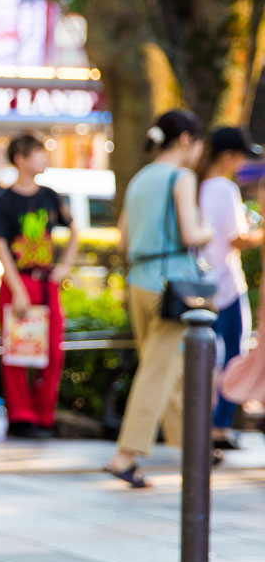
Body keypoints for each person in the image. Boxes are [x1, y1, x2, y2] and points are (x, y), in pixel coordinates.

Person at [106, 109, 212, 487]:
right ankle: (125, 456)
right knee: (159, 370)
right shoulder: (181, 177)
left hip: (139, 281)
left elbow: (122, 239)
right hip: (174, 286)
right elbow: (190, 233)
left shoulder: (140, 178)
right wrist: (208, 230)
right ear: (186, 141)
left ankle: (194, 443)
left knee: (170, 367)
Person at [0, 135, 78, 438]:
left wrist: (64, 267)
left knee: (53, 350)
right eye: (38, 154)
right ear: (21, 159)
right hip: (18, 281)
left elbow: (74, 229)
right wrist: (18, 289)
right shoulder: (3, 201)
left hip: (46, 281)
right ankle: (21, 416)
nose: (44, 159)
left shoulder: (51, 196)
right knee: (17, 351)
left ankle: (44, 416)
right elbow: (0, 247)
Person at [199, 127, 264, 448]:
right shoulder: (224, 189)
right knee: (233, 355)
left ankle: (205, 423)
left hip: (199, 287)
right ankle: (219, 425)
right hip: (226, 285)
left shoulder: (191, 184)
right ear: (228, 156)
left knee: (205, 357)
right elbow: (236, 238)